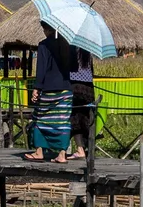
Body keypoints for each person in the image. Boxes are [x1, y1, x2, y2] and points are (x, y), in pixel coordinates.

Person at [24, 21, 74, 163]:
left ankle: (39, 151)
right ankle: (62, 154)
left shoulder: (44, 45)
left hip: (50, 88)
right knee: (63, 121)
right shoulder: (69, 45)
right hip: (66, 89)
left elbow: (41, 69)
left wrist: (36, 87)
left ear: (46, 29)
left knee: (39, 119)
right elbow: (74, 67)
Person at [68, 48, 95, 159]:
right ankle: (88, 147)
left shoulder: (72, 50)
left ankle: (80, 148)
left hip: (75, 85)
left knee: (74, 118)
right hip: (88, 87)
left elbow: (69, 68)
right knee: (86, 117)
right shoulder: (88, 51)